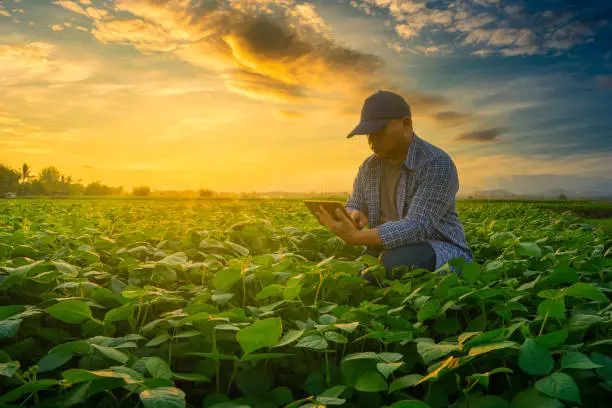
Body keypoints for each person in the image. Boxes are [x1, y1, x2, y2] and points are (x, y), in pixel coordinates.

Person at [316, 89, 473, 279]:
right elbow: (355, 202)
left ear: (406, 124)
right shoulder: (369, 166)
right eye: (367, 133)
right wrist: (353, 214)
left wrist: (357, 237)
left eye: (379, 130)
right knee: (344, 272)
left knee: (392, 265)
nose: (371, 139)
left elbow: (417, 227)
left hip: (435, 246)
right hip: (384, 249)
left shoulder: (436, 163)